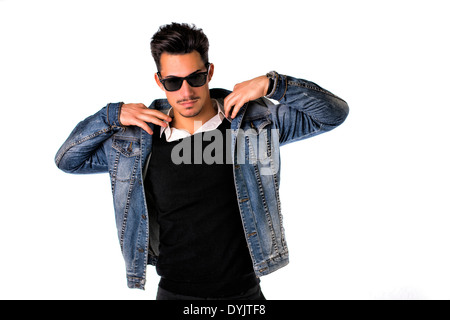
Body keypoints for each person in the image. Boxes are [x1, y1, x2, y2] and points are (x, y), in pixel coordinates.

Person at [55, 22, 349, 300]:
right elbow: (68, 160)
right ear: (159, 81)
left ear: (209, 73)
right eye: (173, 81)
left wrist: (274, 85)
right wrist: (110, 116)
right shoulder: (138, 140)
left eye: (195, 78)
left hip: (243, 293)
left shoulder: (253, 124)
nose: (186, 92)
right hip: (174, 293)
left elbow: (333, 113)